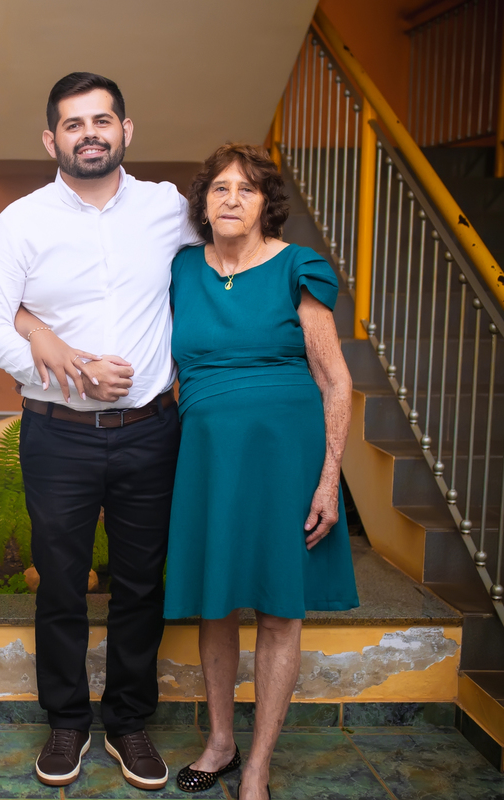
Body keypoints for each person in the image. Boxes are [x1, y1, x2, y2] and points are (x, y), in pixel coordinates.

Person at [0, 72, 202, 792]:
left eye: (102, 120)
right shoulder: (21, 221)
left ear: (125, 130)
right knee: (61, 584)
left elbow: (231, 253)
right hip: (57, 433)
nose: (90, 134)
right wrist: (68, 368)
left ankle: (128, 721)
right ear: (52, 140)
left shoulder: (171, 209)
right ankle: (67, 720)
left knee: (140, 582)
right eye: (73, 124)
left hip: (150, 430)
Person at [164, 143, 358, 800]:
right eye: (219, 188)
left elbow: (336, 380)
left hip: (286, 459)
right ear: (203, 202)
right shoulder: (182, 269)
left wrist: (329, 479)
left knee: (279, 611)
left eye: (245, 189)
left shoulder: (296, 267)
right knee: (215, 606)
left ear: (265, 204)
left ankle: (258, 766)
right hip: (208, 460)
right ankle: (221, 743)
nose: (231, 199)